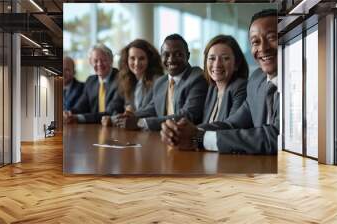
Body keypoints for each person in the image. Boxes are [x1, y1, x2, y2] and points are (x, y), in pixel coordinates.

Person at [160, 9, 279, 155]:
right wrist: (182, 132)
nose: (263, 48)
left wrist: (198, 138)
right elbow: (233, 123)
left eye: (272, 37)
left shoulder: (300, 80)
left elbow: (275, 137)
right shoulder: (257, 80)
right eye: (255, 42)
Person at [115, 34, 208, 131]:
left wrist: (141, 123)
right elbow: (152, 109)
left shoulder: (197, 77)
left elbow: (188, 115)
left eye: (178, 54)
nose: (171, 59)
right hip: (163, 138)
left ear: (188, 56)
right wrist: (129, 117)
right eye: (166, 55)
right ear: (161, 57)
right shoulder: (160, 82)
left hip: (189, 140)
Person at [101, 39, 163, 126]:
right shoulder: (125, 80)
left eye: (141, 58)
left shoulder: (158, 81)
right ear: (127, 60)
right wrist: (110, 117)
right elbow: (115, 106)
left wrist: (115, 119)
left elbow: (152, 110)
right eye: (132, 58)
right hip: (131, 132)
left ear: (149, 60)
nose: (136, 63)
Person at [64, 44, 124, 124]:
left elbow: (111, 113)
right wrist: (68, 113)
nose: (99, 64)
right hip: (94, 129)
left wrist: (78, 118)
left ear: (111, 60)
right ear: (91, 63)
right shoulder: (91, 81)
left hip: (115, 128)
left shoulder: (121, 79)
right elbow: (81, 106)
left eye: (104, 60)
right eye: (95, 61)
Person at [201, 35, 248, 124]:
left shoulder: (240, 87)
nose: (217, 64)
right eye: (212, 58)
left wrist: (195, 134)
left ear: (236, 64)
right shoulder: (212, 89)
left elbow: (229, 128)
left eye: (225, 58)